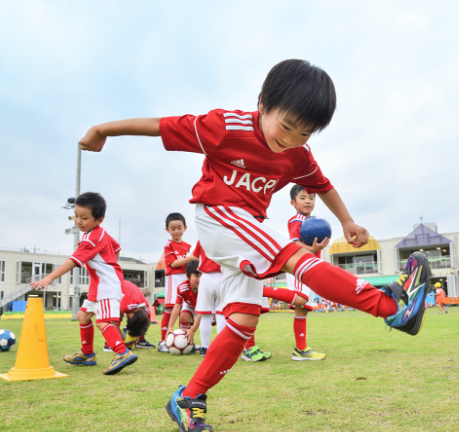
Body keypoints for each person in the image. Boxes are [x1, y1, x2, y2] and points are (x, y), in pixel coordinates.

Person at [79, 59, 432, 432]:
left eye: (305, 133)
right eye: (287, 126)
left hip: (246, 227)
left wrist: (346, 221)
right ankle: (389, 307)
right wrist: (102, 129)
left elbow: (322, 184)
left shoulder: (297, 155)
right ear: (262, 103)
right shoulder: (225, 127)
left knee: (244, 319)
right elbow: (160, 126)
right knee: (292, 254)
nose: (292, 139)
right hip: (217, 215)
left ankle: (189, 397)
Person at [30, 192, 137, 375]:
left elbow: (72, 261)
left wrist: (50, 278)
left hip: (106, 285)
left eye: (84, 218)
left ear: (99, 219)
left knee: (102, 322)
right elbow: (116, 248)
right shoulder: (101, 233)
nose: (79, 221)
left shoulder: (90, 239)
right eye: (76, 216)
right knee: (83, 317)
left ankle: (121, 352)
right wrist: (109, 264)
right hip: (100, 284)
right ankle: (87, 354)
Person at [262, 184, 329, 361]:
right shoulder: (297, 220)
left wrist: (317, 250)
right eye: (303, 197)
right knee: (301, 299)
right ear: (293, 202)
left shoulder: (313, 220)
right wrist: (312, 248)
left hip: (310, 266)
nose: (308, 200)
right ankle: (260, 291)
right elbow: (294, 244)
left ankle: (301, 350)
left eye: (311, 197)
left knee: (303, 309)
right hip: (299, 265)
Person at [160, 213, 197, 352]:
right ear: (167, 230)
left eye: (179, 228)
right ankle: (163, 341)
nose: (176, 231)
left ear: (185, 228)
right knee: (170, 309)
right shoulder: (168, 245)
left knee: (185, 311)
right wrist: (190, 258)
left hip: (188, 279)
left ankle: (185, 340)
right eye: (173, 228)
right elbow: (173, 264)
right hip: (174, 279)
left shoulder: (189, 246)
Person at [191, 241, 224, 357]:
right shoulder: (225, 234)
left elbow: (195, 256)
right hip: (223, 275)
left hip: (206, 276)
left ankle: (204, 347)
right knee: (221, 313)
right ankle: (221, 348)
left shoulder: (202, 238)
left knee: (205, 315)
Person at [103, 280, 154, 352]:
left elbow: (148, 322)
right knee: (107, 320)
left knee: (140, 326)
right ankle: (109, 343)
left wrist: (138, 336)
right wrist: (119, 335)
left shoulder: (145, 307)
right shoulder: (125, 306)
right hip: (110, 288)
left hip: (128, 290)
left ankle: (140, 341)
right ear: (131, 316)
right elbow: (113, 320)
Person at [167, 260, 202, 351]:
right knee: (183, 316)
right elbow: (177, 306)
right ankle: (187, 343)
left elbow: (203, 312)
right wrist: (170, 326)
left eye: (202, 275)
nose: (200, 279)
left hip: (209, 308)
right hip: (191, 304)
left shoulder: (205, 288)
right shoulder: (182, 288)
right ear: (187, 276)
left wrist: (193, 330)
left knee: (214, 321)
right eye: (196, 275)